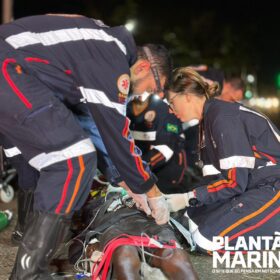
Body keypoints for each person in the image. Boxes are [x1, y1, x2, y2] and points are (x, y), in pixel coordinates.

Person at [0, 14, 170, 279]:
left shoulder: (95, 49)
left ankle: (30, 265)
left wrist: (128, 183)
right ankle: (29, 274)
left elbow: (94, 129)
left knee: (53, 159)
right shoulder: (111, 56)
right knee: (72, 161)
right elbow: (116, 132)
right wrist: (150, 189)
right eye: (154, 88)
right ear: (145, 68)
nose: (144, 96)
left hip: (14, 69)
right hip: (8, 67)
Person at [165, 67, 280, 252]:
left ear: (186, 96)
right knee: (188, 220)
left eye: (171, 102)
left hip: (273, 185)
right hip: (253, 186)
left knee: (206, 240)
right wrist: (180, 200)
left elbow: (234, 182)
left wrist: (188, 197)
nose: (171, 110)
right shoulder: (207, 121)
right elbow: (214, 181)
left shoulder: (222, 117)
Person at [126, 45, 188, 194]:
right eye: (157, 86)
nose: (158, 92)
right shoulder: (125, 105)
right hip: (138, 176)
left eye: (159, 88)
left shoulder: (164, 111)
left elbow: (165, 150)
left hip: (164, 182)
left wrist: (131, 171)